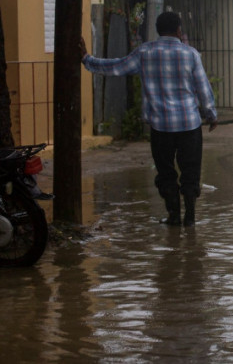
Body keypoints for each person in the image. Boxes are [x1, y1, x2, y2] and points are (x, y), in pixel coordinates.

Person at [80, 12, 218, 226]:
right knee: (190, 171)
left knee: (165, 173)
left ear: (158, 30)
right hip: (189, 126)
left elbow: (116, 67)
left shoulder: (145, 52)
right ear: (179, 31)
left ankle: (173, 217)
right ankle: (189, 218)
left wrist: (86, 59)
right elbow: (203, 87)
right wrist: (211, 114)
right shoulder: (191, 54)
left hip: (160, 127)